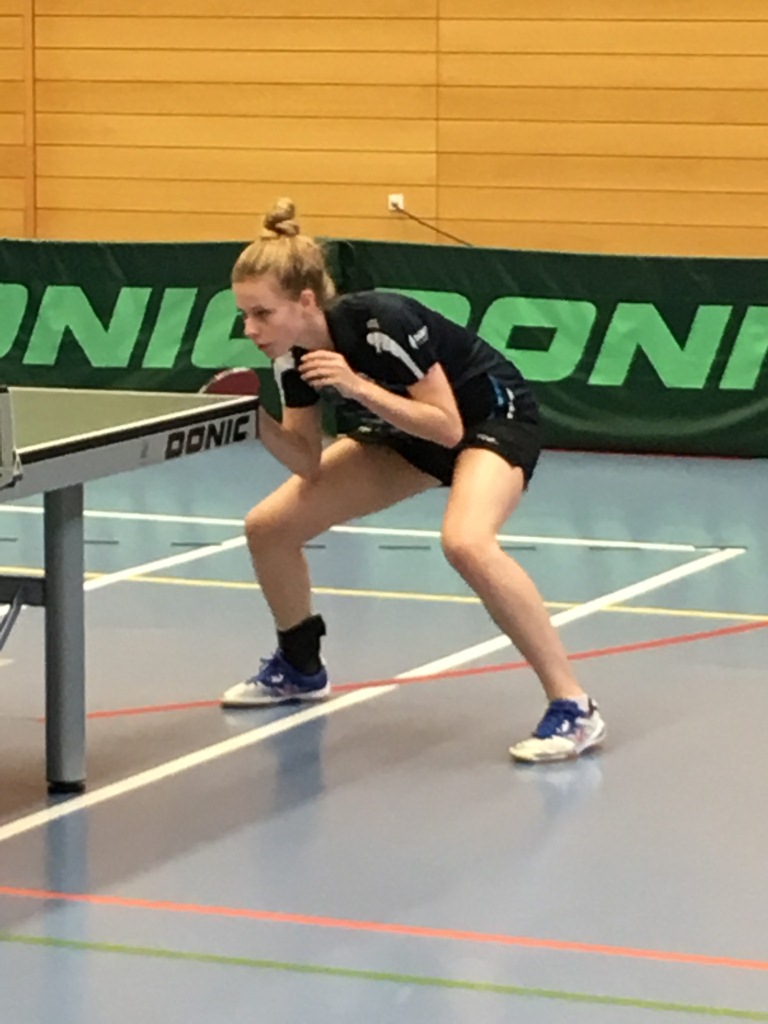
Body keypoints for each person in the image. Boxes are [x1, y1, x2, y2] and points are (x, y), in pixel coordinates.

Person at [220, 197, 606, 763]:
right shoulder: (290, 360)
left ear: (305, 302)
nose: (251, 329)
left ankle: (574, 706)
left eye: (262, 314)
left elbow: (448, 427)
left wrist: (357, 386)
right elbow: (305, 460)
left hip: (490, 419)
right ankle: (300, 667)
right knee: (269, 527)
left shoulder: (383, 322)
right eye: (245, 316)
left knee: (466, 542)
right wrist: (254, 418)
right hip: (403, 433)